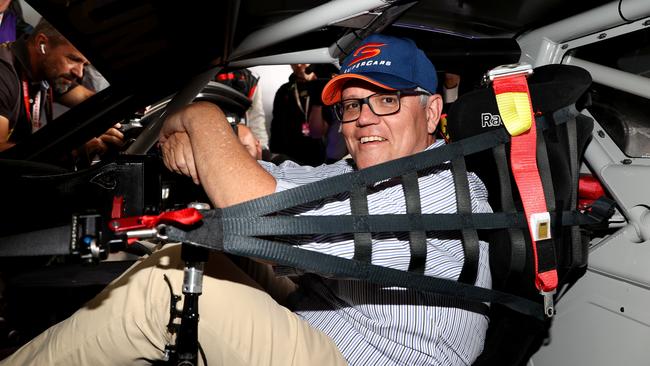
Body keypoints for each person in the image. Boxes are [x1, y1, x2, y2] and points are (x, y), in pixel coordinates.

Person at [0, 34, 492, 365]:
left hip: (367, 356)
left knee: (168, 288)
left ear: (431, 112)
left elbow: (256, 206)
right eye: (352, 104)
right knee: (187, 248)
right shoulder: (366, 170)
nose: (364, 119)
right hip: (329, 320)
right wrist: (215, 150)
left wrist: (202, 117)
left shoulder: (438, 191)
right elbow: (275, 176)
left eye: (387, 100)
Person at [0, 18, 122, 156]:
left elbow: (85, 96)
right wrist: (70, 150)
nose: (79, 73)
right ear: (42, 44)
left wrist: (121, 109)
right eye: (74, 59)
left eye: (85, 65)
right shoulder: (3, 74)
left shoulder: (48, 69)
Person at [269, 63, 326, 166]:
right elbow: (276, 124)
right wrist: (275, 152)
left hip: (319, 155)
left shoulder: (324, 86)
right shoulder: (284, 90)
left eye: (304, 61)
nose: (299, 65)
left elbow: (321, 130)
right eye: (294, 62)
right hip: (289, 156)